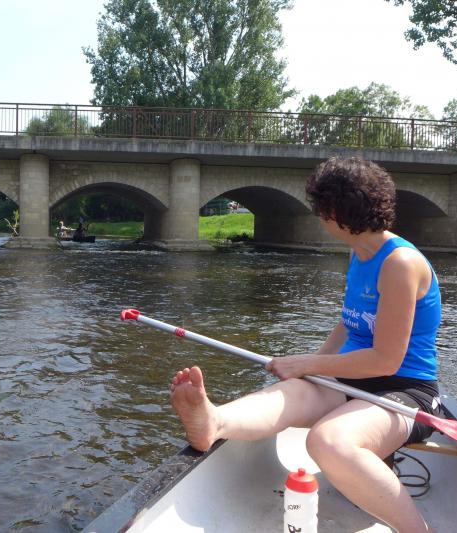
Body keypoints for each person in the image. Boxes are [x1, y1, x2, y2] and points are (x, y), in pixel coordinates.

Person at [170, 157, 441, 533]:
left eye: (320, 209)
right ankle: (214, 421)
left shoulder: (400, 264)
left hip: (407, 391)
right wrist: (310, 366)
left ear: (335, 213)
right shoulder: (359, 253)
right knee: (288, 394)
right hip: (355, 378)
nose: (318, 216)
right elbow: (348, 323)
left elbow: (386, 360)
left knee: (327, 441)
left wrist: (308, 365)